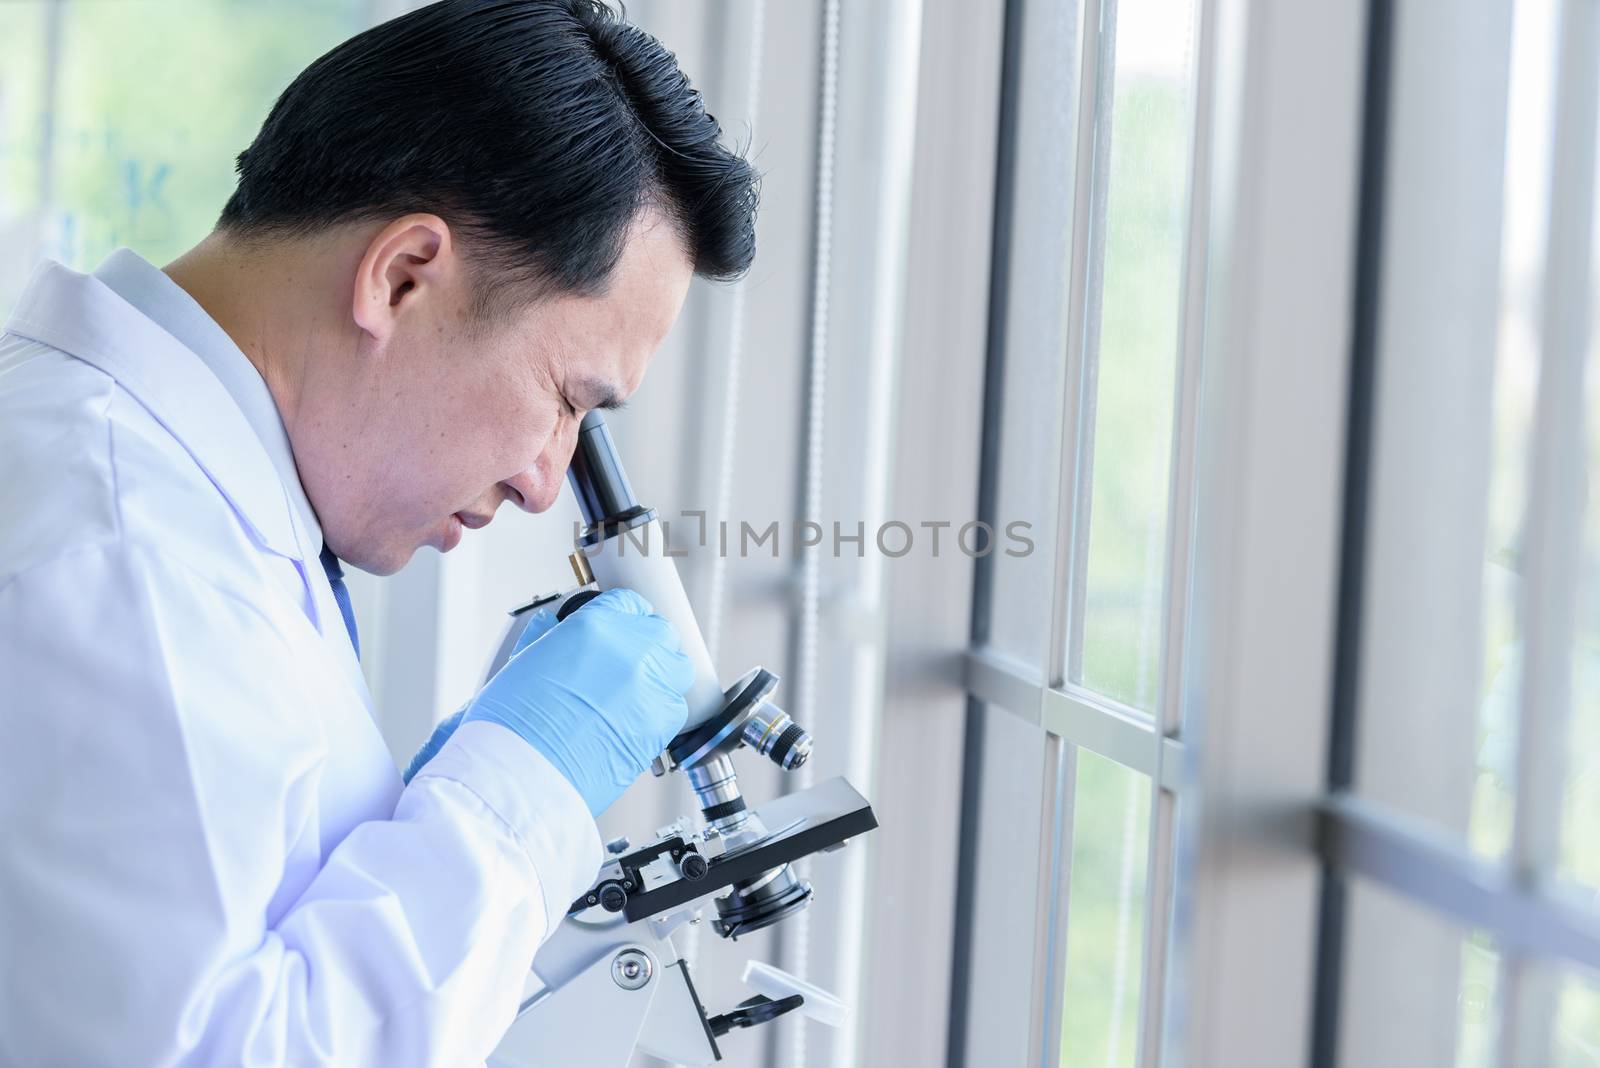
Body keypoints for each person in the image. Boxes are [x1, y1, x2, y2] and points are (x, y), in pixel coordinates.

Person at [0, 1, 758, 1063]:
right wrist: (510, 795)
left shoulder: (172, 498)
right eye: (563, 396)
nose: (547, 481)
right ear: (402, 275)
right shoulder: (122, 551)